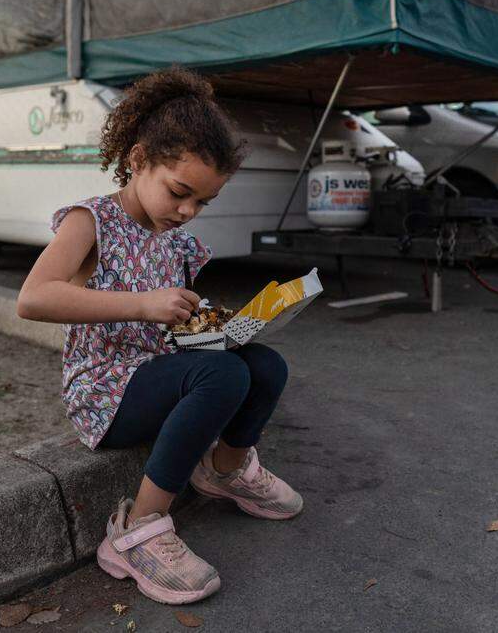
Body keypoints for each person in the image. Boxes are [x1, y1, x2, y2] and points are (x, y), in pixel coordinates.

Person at [16, 68, 302, 605]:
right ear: (139, 159)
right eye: (180, 192)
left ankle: (225, 470)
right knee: (221, 376)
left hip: (160, 375)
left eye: (202, 202)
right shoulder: (91, 221)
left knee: (264, 365)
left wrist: (224, 325)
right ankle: (137, 531)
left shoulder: (174, 241)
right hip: (105, 394)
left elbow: (173, 322)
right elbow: (34, 298)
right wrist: (143, 305)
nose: (189, 211)